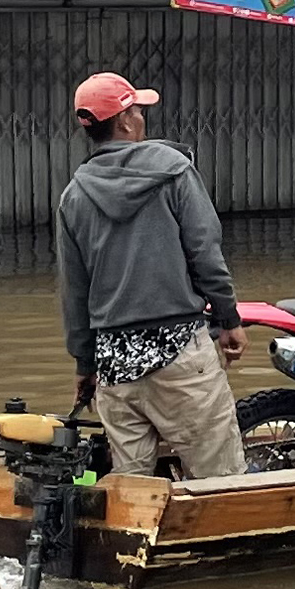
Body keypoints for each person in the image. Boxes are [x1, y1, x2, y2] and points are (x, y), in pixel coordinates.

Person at [53, 71, 243, 481]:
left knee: (132, 489)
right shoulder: (174, 171)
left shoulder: (73, 196)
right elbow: (205, 252)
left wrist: (85, 363)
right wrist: (228, 318)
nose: (141, 117)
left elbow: (74, 292)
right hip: (178, 351)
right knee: (220, 479)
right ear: (124, 121)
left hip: (115, 365)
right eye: (137, 111)